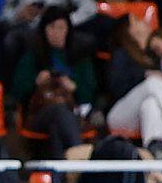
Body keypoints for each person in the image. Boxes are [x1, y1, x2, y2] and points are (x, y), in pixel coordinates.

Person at [11, 9, 99, 152]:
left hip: (74, 112)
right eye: (52, 27)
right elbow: (17, 92)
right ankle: (79, 156)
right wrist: (36, 82)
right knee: (57, 110)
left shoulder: (80, 58)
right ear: (44, 30)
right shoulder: (32, 56)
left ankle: (62, 170)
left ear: (68, 30)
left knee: (57, 125)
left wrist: (74, 87)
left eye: (61, 28)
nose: (56, 32)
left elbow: (90, 95)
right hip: (38, 114)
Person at [107, 15, 162, 155]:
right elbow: (116, 87)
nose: (144, 22)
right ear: (129, 31)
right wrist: (144, 75)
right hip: (122, 114)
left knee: (150, 104)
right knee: (153, 82)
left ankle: (156, 150)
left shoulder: (156, 56)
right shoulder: (122, 54)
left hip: (151, 116)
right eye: (137, 21)